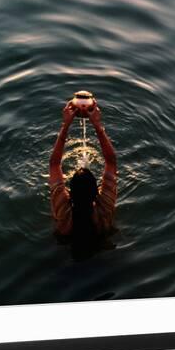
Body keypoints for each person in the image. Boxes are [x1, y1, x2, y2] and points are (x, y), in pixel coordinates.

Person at [49, 99, 117, 243]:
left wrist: (65, 125)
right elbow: (111, 161)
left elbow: (54, 164)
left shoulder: (63, 214)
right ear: (96, 193)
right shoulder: (104, 210)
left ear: (69, 194)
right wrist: (98, 126)